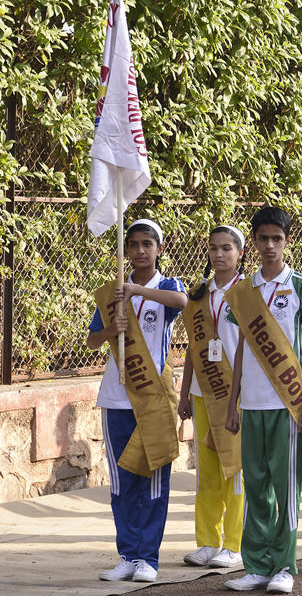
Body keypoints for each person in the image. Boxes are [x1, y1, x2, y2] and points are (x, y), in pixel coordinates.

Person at [221, 207, 302, 593]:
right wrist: (233, 404)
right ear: (255, 242)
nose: (268, 246)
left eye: (276, 239)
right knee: (256, 486)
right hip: (252, 405)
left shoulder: (301, 286)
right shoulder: (244, 292)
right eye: (262, 238)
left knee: (286, 488)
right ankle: (257, 564)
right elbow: (241, 348)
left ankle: (284, 565)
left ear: (287, 242)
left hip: (289, 405)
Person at [89, 219, 187, 583]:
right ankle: (128, 555)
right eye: (133, 244)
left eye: (148, 244)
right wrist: (110, 330)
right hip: (115, 399)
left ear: (159, 249)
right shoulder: (111, 293)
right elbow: (91, 341)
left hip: (153, 399)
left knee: (154, 481)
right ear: (126, 250)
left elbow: (181, 301)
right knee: (121, 482)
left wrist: (134, 290)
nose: (140, 250)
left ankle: (149, 557)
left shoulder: (167, 286)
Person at [177, 225, 246, 569]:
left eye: (227, 248)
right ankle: (207, 541)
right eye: (213, 248)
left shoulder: (248, 291)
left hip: (236, 394)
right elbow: (192, 346)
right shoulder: (198, 295)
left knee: (234, 469)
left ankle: (234, 544)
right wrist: (184, 393)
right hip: (201, 392)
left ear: (240, 253)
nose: (219, 254)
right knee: (206, 471)